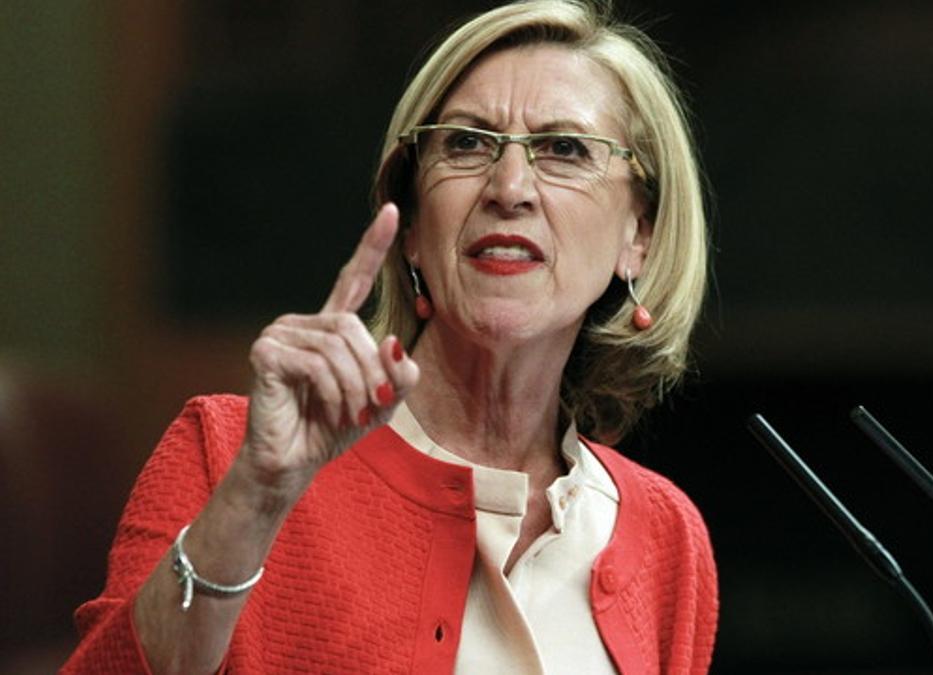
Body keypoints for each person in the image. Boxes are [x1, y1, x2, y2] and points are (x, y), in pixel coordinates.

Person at [64, 0, 715, 672]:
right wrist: (255, 502)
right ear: (410, 224)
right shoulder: (227, 454)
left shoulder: (668, 537)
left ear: (638, 234)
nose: (509, 187)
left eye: (564, 149)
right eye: (466, 142)